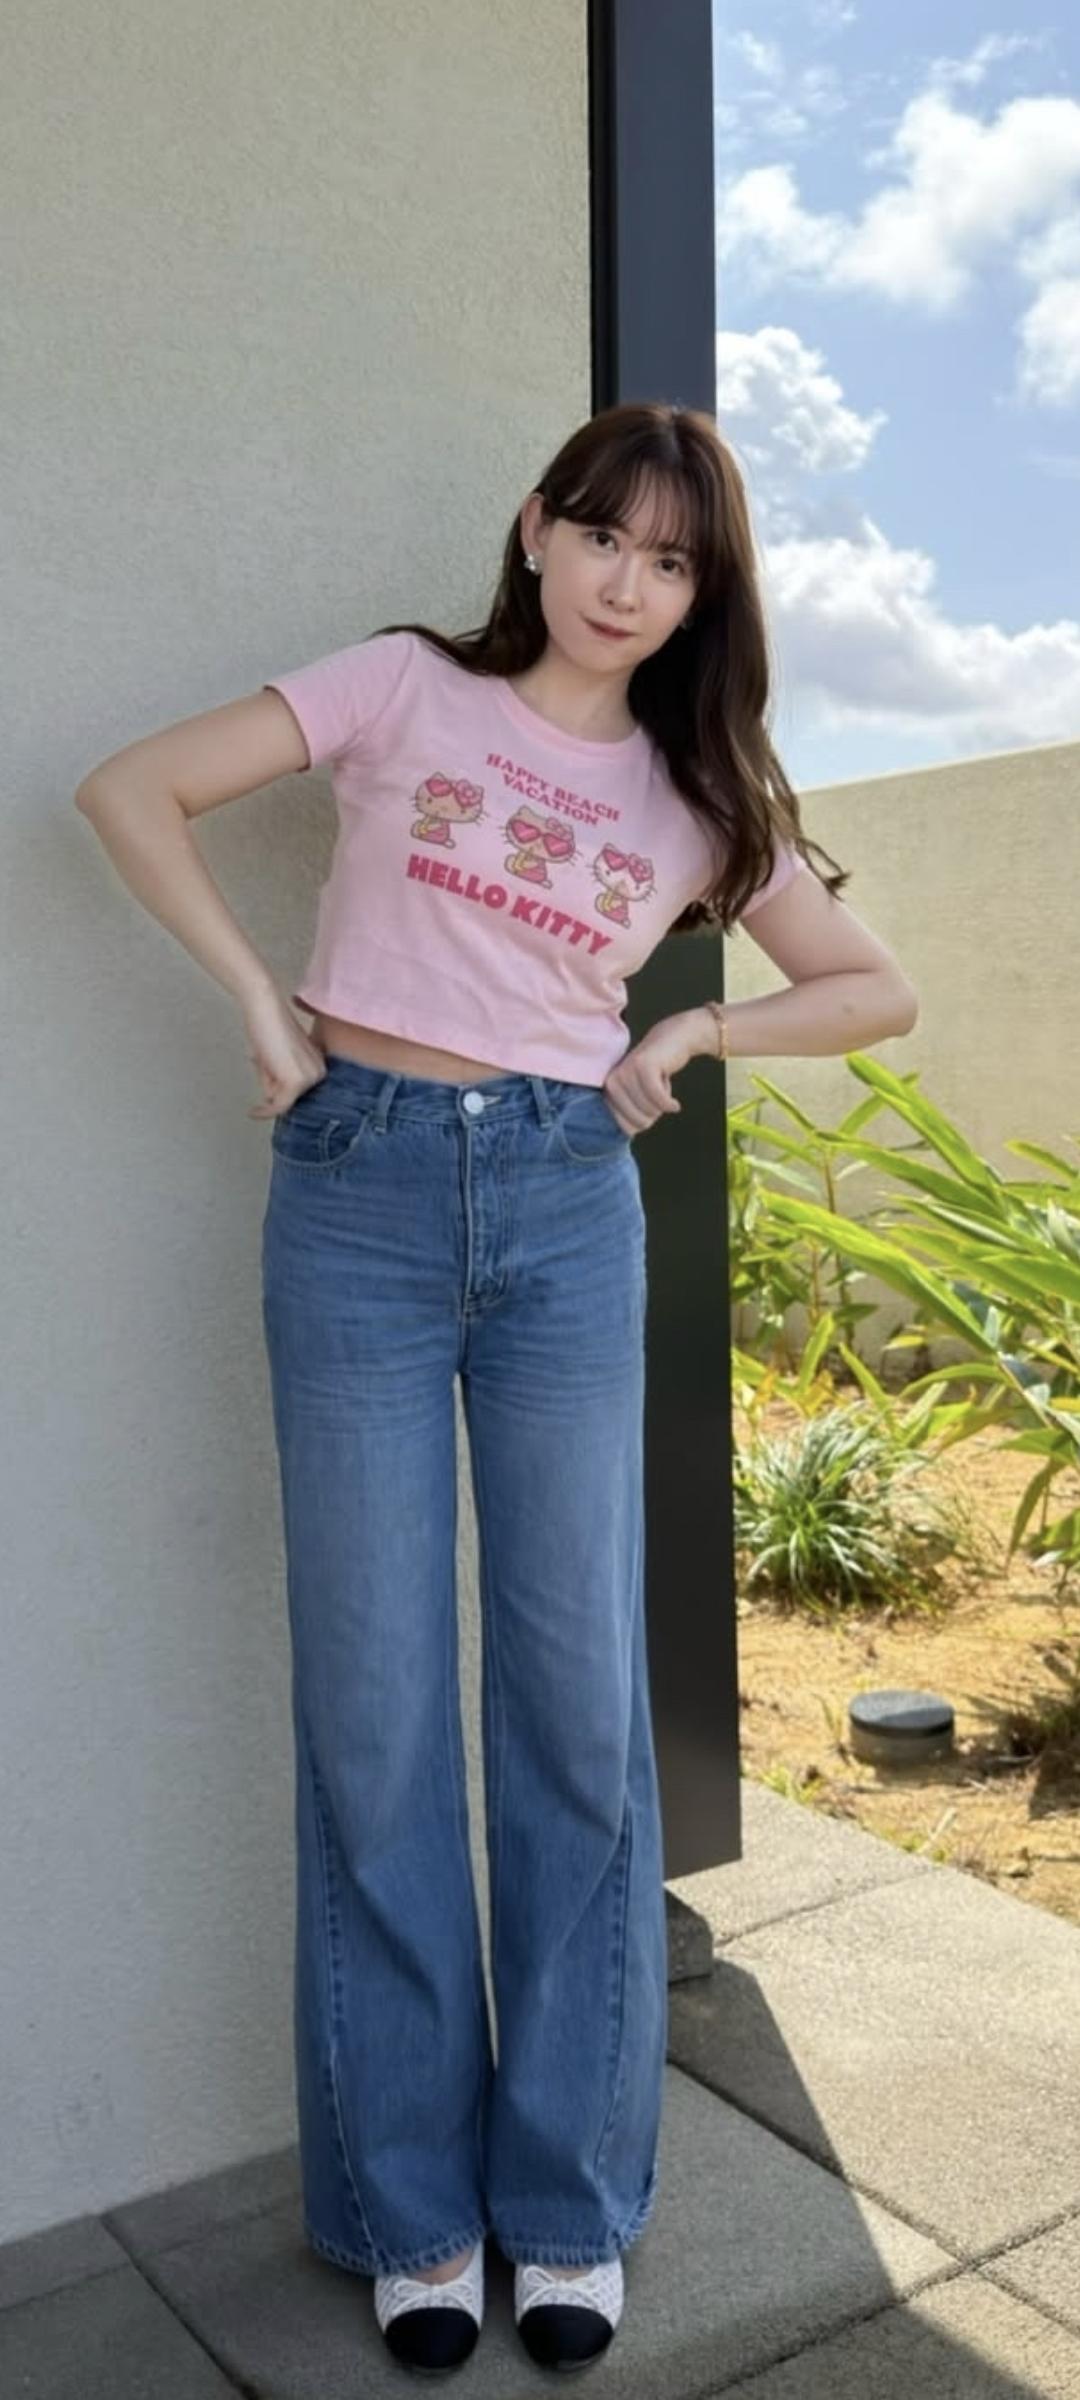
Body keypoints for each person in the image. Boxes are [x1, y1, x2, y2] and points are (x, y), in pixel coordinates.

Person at [74, 400, 915, 2377]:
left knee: (571, 1708)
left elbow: (872, 984)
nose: (629, 583)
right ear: (537, 532)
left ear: (701, 597)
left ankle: (564, 2201)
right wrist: (266, 1008)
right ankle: (409, 2211)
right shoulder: (402, 689)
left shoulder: (698, 792)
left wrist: (688, 1034)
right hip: (356, 1192)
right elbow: (130, 790)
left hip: (561, 1208)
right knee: (374, 1710)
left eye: (674, 561)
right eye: (604, 536)